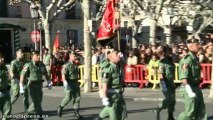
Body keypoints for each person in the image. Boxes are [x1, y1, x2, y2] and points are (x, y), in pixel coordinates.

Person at [177, 37, 207, 120]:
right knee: (190, 112)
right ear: (190, 47)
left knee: (201, 110)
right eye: (197, 45)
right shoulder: (187, 60)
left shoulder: (195, 58)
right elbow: (184, 77)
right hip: (188, 87)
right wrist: (189, 90)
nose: (199, 46)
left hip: (196, 86)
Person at [19, 50, 52, 120]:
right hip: (32, 85)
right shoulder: (28, 65)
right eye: (37, 55)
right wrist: (21, 86)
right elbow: (22, 75)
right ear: (32, 56)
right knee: (36, 101)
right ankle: (40, 116)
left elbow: (46, 73)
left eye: (39, 55)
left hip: (39, 85)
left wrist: (49, 81)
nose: (39, 56)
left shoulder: (41, 64)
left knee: (39, 100)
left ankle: (28, 113)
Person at [96, 51, 127, 120]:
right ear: (111, 58)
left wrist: (120, 54)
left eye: (119, 54)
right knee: (114, 116)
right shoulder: (108, 69)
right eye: (116, 55)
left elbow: (124, 61)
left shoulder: (119, 66)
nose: (118, 55)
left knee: (123, 116)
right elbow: (104, 84)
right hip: (112, 96)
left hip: (119, 95)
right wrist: (104, 97)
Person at [153, 45, 176, 120]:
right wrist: (164, 86)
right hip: (165, 83)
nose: (170, 52)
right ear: (165, 52)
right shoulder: (162, 62)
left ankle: (170, 116)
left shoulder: (170, 60)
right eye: (169, 51)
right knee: (168, 99)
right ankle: (158, 108)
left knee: (172, 100)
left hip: (171, 83)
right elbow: (160, 75)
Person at [57, 52, 82, 119]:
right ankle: (60, 107)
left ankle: (76, 112)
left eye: (76, 56)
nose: (75, 57)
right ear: (70, 56)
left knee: (77, 97)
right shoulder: (66, 65)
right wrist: (65, 82)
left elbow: (82, 61)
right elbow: (63, 74)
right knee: (68, 98)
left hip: (75, 82)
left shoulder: (76, 64)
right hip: (69, 83)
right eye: (74, 56)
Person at [0, 52, 11, 120]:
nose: (2, 59)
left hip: (5, 92)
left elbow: (8, 78)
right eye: (0, 58)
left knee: (7, 113)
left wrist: (8, 86)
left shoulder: (5, 67)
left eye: (2, 57)